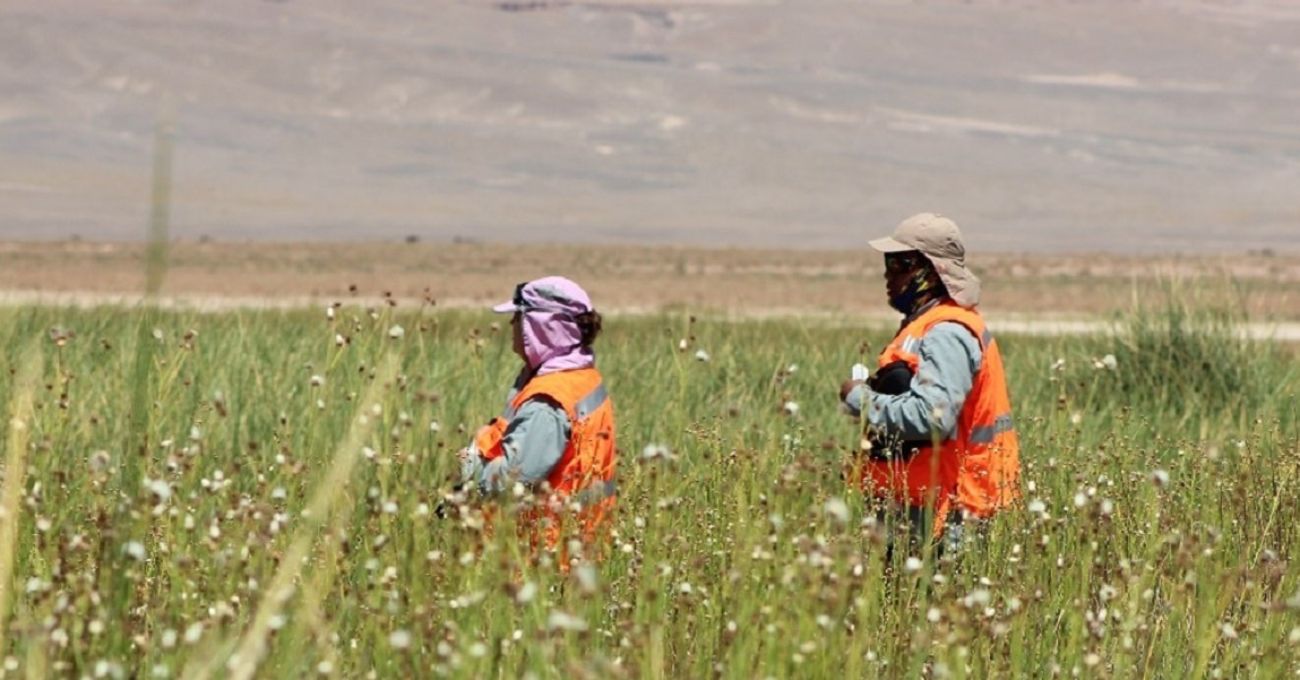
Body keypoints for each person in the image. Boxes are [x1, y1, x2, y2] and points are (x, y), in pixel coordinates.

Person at [840, 213, 1020, 557]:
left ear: (931, 271)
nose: (888, 275)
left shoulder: (946, 332)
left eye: (900, 264)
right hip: (920, 503)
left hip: (948, 513)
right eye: (887, 264)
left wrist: (859, 399)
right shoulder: (924, 325)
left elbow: (932, 416)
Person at [458, 276, 617, 566]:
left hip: (543, 557)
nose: (512, 326)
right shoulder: (581, 379)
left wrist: (470, 467)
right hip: (578, 549)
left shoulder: (548, 400)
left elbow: (512, 480)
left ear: (543, 328)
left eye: (518, 317)